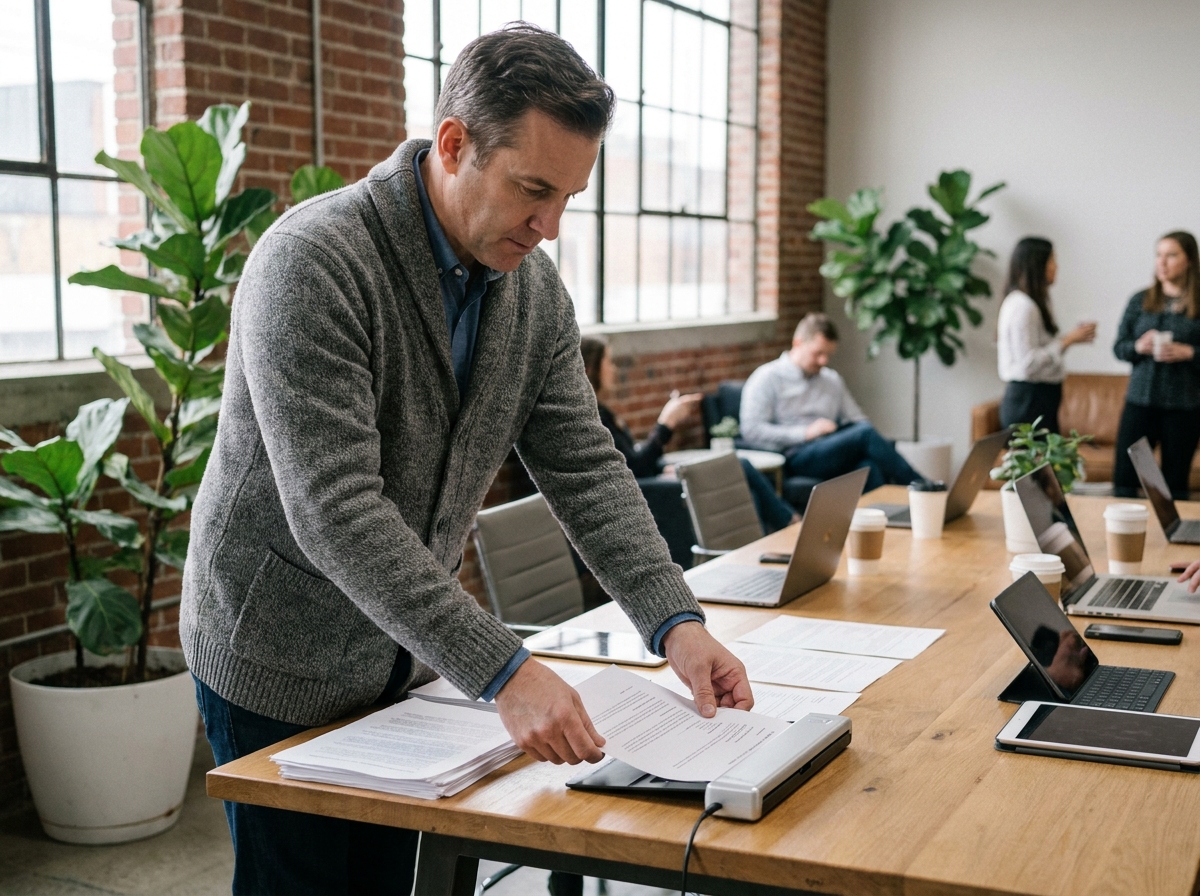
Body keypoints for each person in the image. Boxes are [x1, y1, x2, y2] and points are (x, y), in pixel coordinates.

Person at [180, 25, 752, 896]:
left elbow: (585, 467)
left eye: (570, 196)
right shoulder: (313, 263)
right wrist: (505, 670)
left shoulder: (531, 292)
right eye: (533, 189)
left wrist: (676, 619)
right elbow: (336, 507)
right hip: (278, 651)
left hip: (403, 657)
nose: (551, 226)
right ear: (453, 145)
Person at [579, 335, 799, 532]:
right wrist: (666, 424)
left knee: (738, 467)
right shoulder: (595, 417)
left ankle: (778, 528)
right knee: (739, 466)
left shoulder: (601, 411)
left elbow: (629, 462)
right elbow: (636, 468)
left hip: (654, 478)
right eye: (608, 362)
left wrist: (659, 465)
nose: (614, 369)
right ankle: (789, 524)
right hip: (649, 490)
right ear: (590, 369)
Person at [740, 313, 922, 491]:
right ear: (798, 343)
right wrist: (805, 433)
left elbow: (857, 419)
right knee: (865, 434)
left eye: (828, 355)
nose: (823, 361)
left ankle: (892, 517)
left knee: (868, 466)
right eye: (818, 353)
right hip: (796, 455)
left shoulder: (831, 380)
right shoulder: (767, 378)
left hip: (831, 449)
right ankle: (921, 486)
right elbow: (751, 430)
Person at [1112, 231, 1200, 500]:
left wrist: (1190, 352)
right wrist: (1139, 347)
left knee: (1174, 482)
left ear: (1189, 261)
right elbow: (1119, 347)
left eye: (1171, 255)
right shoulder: (1140, 300)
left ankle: (1175, 537)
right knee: (1125, 476)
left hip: (1184, 406)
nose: (1162, 262)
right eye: (1158, 255)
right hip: (1140, 402)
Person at [997, 237, 1096, 433]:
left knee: (1047, 463)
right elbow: (1028, 364)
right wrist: (1066, 341)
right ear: (1037, 265)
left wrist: (1068, 341)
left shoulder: (1034, 303)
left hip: (1040, 400)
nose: (1056, 267)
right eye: (1052, 260)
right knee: (1035, 463)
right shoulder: (1022, 306)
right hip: (1029, 402)